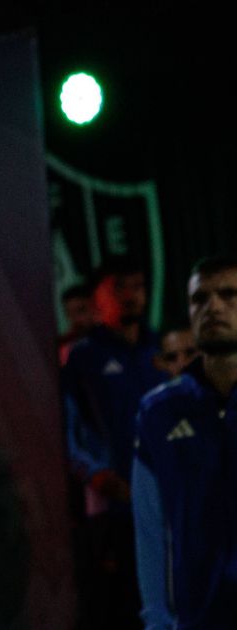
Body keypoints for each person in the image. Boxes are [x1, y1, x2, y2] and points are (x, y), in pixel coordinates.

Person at [133, 255, 237, 629]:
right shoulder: (159, 411)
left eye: (229, 294)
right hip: (199, 618)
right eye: (200, 298)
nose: (214, 307)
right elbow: (150, 528)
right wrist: (157, 621)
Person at [62, 261, 163, 628]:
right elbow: (68, 430)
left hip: (170, 501)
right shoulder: (83, 357)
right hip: (117, 508)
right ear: (97, 298)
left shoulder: (162, 348)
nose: (131, 295)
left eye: (138, 285)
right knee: (125, 607)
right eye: (119, 286)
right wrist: (97, 475)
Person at [59, 283, 98, 365]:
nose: (75, 319)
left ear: (95, 308)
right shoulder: (65, 349)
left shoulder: (114, 340)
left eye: (80, 311)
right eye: (69, 314)